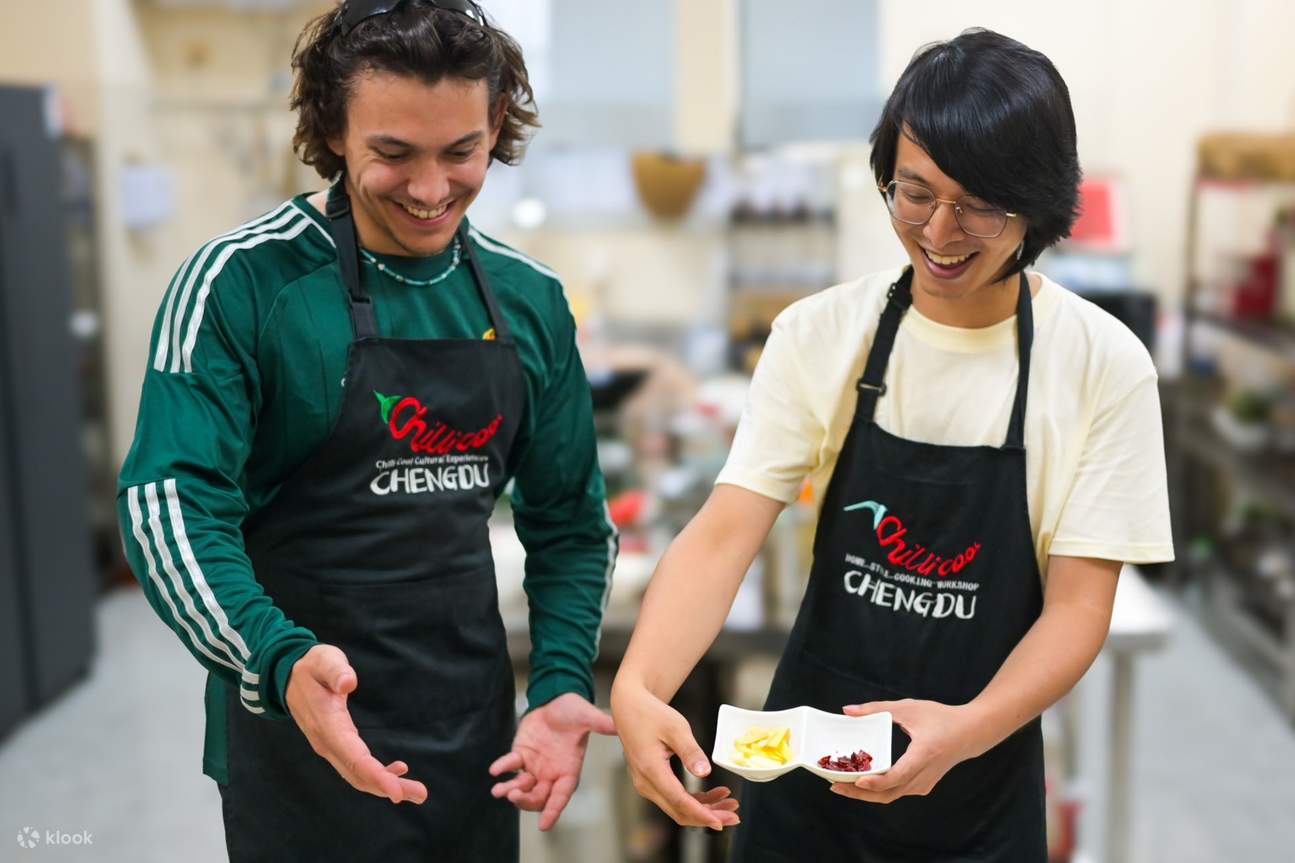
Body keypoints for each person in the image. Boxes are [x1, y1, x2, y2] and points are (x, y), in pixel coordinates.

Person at [611, 28, 1174, 861]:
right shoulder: (819, 334)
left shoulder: (1100, 365)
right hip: (807, 796)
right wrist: (639, 683)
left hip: (976, 792)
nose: (938, 231)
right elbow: (725, 532)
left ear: (1038, 201)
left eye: (978, 204)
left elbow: (1077, 609)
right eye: (914, 193)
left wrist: (965, 729)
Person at [115, 1, 618, 859]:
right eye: (393, 154)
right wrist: (276, 657)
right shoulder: (243, 283)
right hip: (295, 732)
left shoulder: (529, 300)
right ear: (332, 131)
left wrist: (562, 679)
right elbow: (169, 505)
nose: (430, 189)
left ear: (495, 124)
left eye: (460, 151)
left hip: (470, 735)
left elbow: (569, 521)